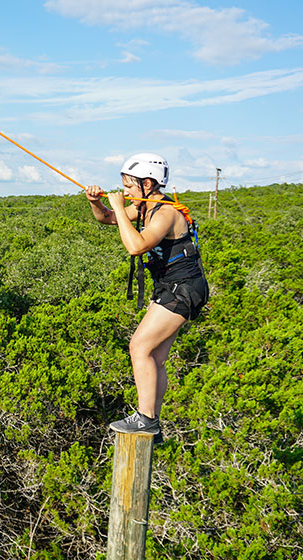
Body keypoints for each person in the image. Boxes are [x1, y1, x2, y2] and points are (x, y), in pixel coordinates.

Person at [85, 153, 208, 440]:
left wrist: (118, 204)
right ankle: (151, 419)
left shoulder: (165, 213)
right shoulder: (144, 207)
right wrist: (97, 203)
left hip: (183, 289)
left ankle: (146, 419)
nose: (125, 191)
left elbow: (135, 246)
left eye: (129, 185)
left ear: (148, 183)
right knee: (155, 356)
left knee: (139, 347)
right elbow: (107, 219)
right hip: (173, 287)